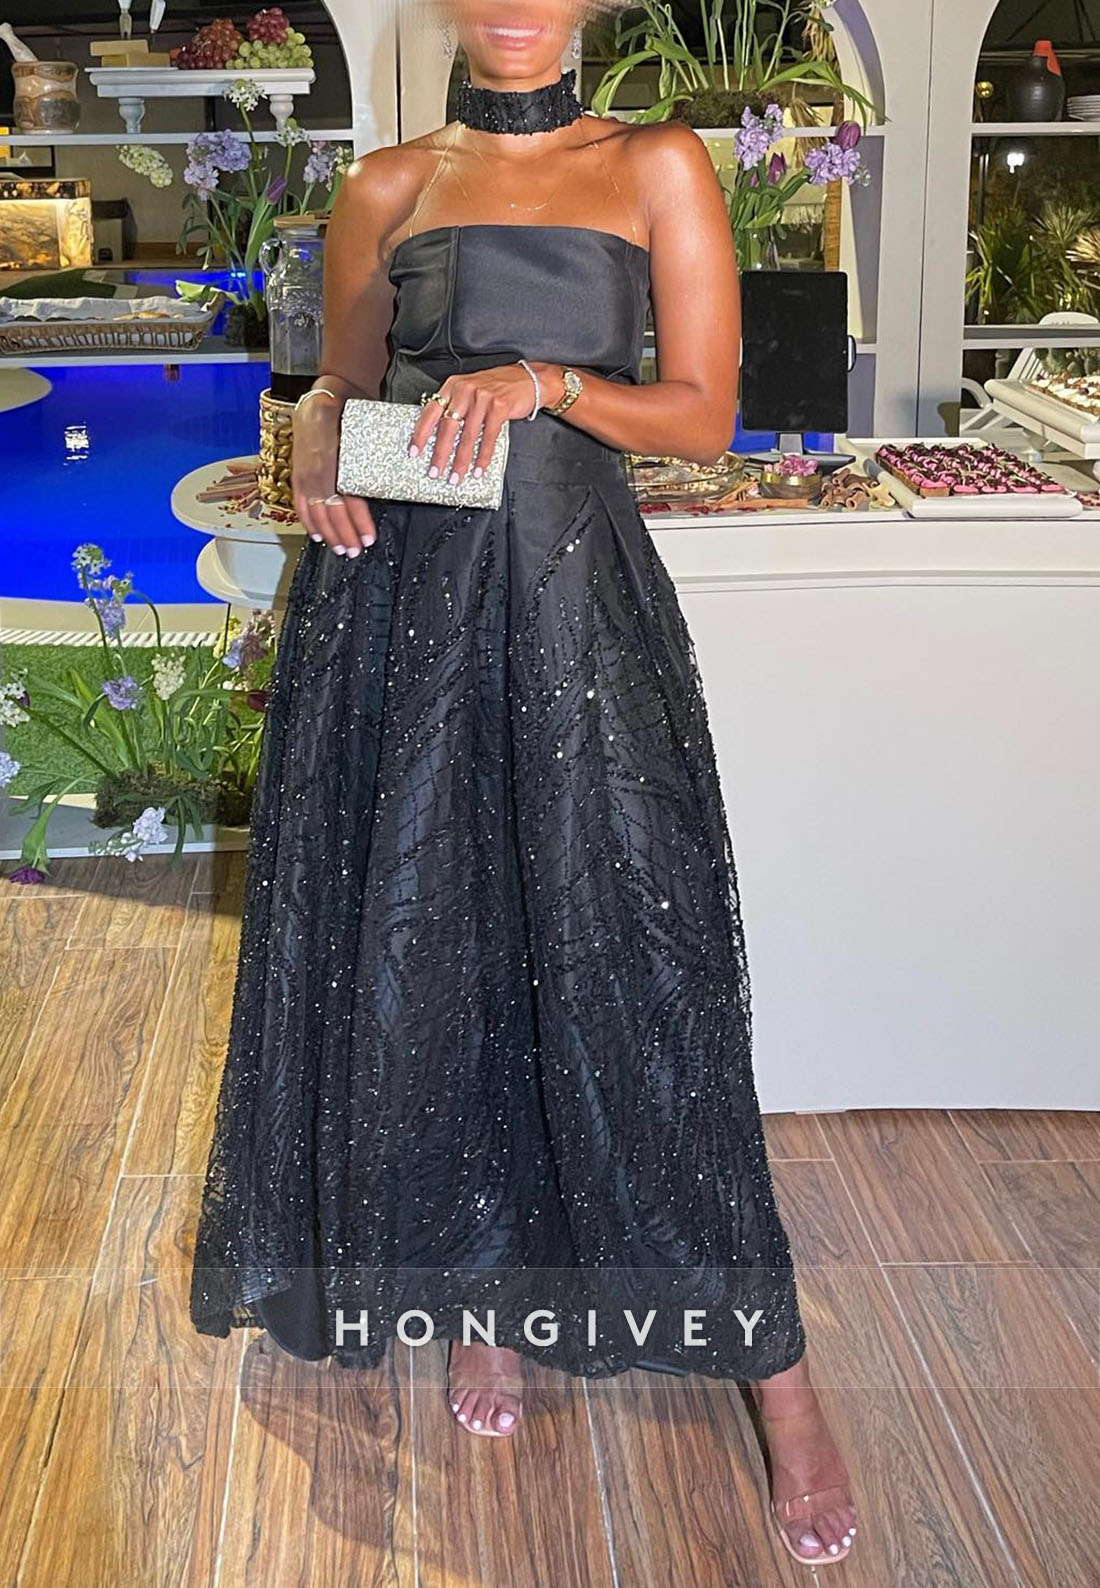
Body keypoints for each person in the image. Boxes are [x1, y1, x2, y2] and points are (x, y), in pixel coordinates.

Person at [190, 0, 857, 1567]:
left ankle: (782, 1382)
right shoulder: (386, 184)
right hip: (400, 619)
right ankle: (484, 1293)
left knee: (644, 966)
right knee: (437, 958)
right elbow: (337, 393)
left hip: (574, 607)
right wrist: (314, 450)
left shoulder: (657, 163)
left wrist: (545, 381)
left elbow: (704, 413)